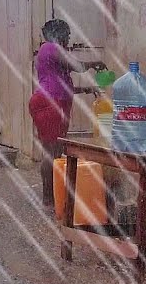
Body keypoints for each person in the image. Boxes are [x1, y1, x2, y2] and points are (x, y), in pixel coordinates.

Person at [28, 19, 106, 206]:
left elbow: (61, 84)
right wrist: (95, 63)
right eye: (67, 35)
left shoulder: (51, 53)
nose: (68, 39)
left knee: (55, 150)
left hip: (52, 102)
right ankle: (49, 198)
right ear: (58, 34)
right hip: (50, 104)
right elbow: (77, 66)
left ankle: (54, 195)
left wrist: (87, 89)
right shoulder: (50, 48)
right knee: (51, 151)